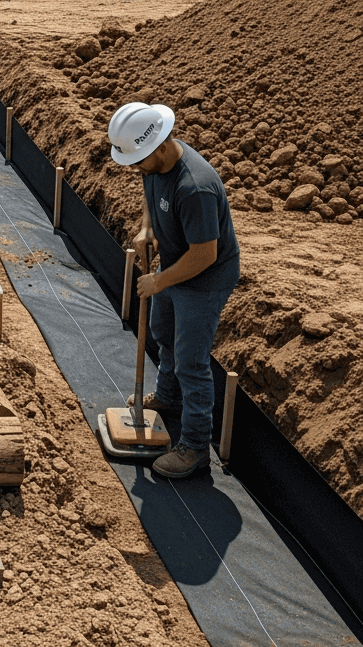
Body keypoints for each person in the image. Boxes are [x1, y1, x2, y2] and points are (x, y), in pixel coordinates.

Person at [107, 101, 240, 479]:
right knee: (164, 333)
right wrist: (148, 228)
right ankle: (168, 397)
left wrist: (159, 281)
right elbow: (150, 189)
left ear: (161, 146)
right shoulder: (153, 162)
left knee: (191, 363)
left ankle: (196, 448)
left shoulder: (195, 188)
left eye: (138, 160)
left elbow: (204, 255)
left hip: (204, 279)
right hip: (174, 266)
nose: (135, 167)